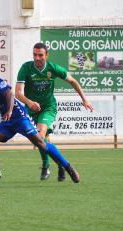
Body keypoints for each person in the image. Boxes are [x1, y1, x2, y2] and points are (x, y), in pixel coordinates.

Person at [0, 68, 81, 184]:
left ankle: (67, 167)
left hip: (19, 117)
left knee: (40, 142)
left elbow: (10, 94)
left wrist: (10, 111)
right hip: (6, 123)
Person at [15, 42, 94, 181]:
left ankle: (46, 166)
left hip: (48, 107)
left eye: (40, 55)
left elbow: (73, 81)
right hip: (31, 109)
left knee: (40, 136)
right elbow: (18, 93)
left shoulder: (53, 68)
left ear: (47, 55)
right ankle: (60, 165)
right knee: (44, 140)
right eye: (35, 55)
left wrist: (85, 99)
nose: (37, 58)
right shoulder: (26, 68)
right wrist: (30, 102)